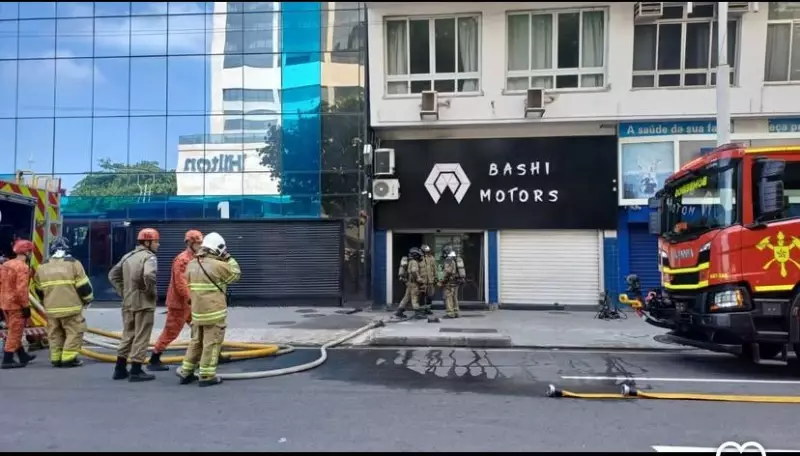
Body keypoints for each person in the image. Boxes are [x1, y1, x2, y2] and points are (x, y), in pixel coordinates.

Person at [178, 232, 240, 387]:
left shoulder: (192, 264)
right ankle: (206, 376)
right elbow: (236, 274)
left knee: (196, 341)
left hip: (197, 312)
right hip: (214, 311)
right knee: (211, 343)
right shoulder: (219, 265)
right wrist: (228, 257)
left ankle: (186, 372)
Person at [33, 236, 94, 368]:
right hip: (71, 308)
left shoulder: (42, 266)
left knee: (55, 333)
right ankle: (68, 358)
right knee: (74, 331)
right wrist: (88, 300)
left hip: (51, 309)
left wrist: (45, 302)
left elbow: (38, 289)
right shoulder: (74, 263)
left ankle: (55, 358)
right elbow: (84, 286)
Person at [108, 228, 160, 382]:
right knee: (142, 335)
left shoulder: (127, 256)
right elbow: (149, 275)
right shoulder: (149, 257)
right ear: (147, 242)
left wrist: (124, 291)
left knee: (128, 335)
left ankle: (120, 369)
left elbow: (112, 275)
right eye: (156, 241)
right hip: (143, 303)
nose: (158, 245)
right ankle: (136, 370)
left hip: (128, 302)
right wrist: (148, 291)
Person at [148, 230, 203, 371]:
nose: (200, 245)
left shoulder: (196, 257)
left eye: (200, 242)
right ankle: (154, 359)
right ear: (190, 243)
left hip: (190, 302)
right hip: (180, 304)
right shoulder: (183, 259)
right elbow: (180, 283)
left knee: (200, 329)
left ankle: (208, 355)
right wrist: (190, 299)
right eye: (197, 243)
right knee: (171, 332)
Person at [0, 239, 36, 369]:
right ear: (27, 252)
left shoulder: (6, 264)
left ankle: (22, 355)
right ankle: (7, 359)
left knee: (14, 330)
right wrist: (25, 306)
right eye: (30, 251)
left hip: (4, 303)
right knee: (15, 332)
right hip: (16, 305)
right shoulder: (23, 267)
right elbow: (21, 289)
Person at [395, 247, 425, 319]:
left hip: (409, 282)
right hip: (413, 283)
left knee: (406, 297)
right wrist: (419, 280)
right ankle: (417, 313)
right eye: (418, 255)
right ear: (416, 255)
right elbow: (414, 272)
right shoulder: (414, 262)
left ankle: (399, 311)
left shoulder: (410, 261)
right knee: (415, 297)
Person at [439, 246, 466, 319]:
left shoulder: (448, 260)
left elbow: (447, 272)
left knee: (448, 297)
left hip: (449, 282)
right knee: (454, 297)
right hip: (456, 282)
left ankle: (450, 313)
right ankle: (456, 312)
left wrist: (442, 281)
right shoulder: (456, 258)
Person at [419, 244, 437, 315]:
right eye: (426, 251)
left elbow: (434, 269)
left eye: (428, 251)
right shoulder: (419, 258)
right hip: (422, 281)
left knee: (430, 296)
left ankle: (428, 309)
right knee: (422, 296)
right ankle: (421, 310)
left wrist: (435, 277)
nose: (427, 253)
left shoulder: (431, 258)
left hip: (430, 281)